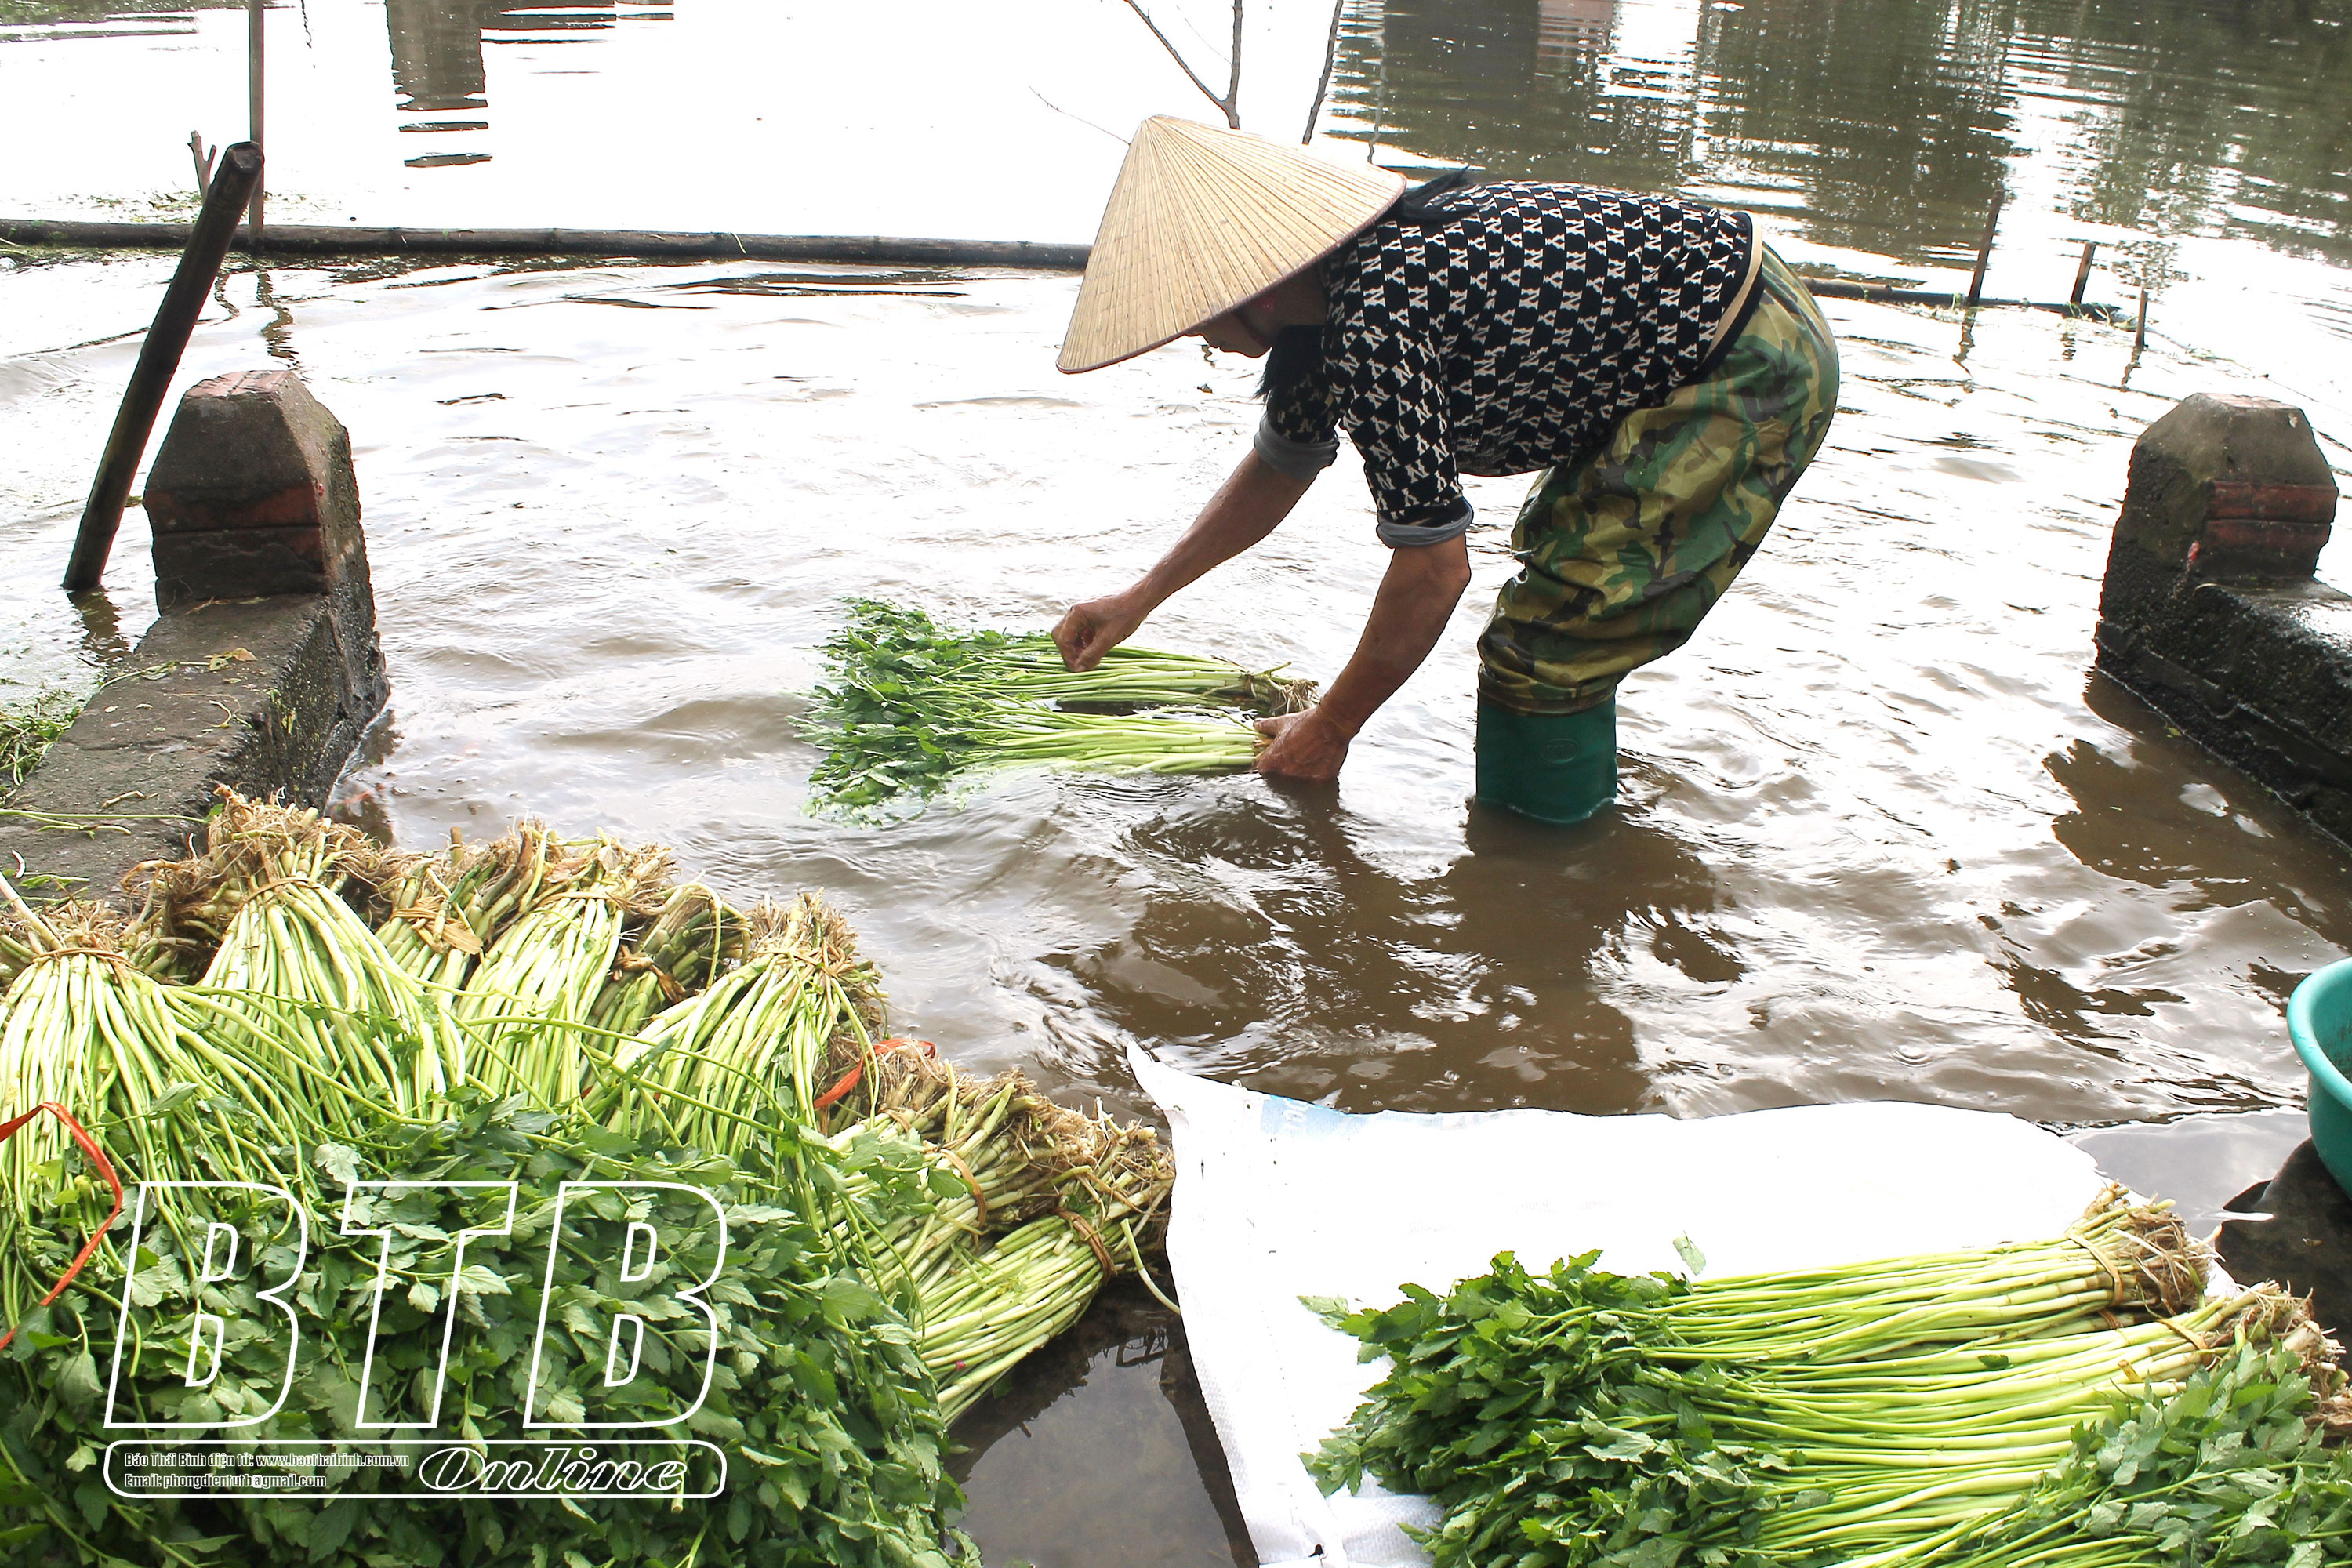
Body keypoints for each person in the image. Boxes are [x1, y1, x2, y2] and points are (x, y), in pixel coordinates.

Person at [1051, 116, 1839, 823]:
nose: (1196, 334)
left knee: (1549, 647)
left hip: (1740, 359)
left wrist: (1331, 726)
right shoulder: (1325, 301)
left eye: (1192, 313)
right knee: (1562, 575)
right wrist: (1139, 600)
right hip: (1695, 337)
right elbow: (1279, 466)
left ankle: (1547, 877)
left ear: (1248, 287)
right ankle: (1579, 859)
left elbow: (1435, 571)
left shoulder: (1377, 314)